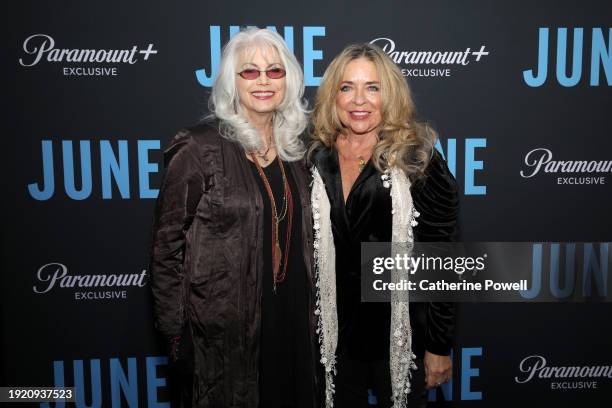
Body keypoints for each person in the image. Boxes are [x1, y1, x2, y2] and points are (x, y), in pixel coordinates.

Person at [149, 28, 320, 408]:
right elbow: (167, 247)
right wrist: (176, 335)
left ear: (288, 80)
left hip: (292, 320)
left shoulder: (299, 150)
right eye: (249, 72)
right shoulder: (198, 147)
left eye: (274, 71)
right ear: (231, 81)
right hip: (222, 333)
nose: (263, 80)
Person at [309, 43, 458, 408]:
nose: (359, 100)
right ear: (333, 95)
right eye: (347, 87)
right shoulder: (315, 155)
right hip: (332, 335)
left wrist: (439, 345)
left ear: (389, 94)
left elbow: (442, 256)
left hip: (401, 334)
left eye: (372, 87)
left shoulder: (417, 157)